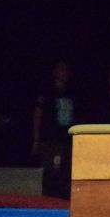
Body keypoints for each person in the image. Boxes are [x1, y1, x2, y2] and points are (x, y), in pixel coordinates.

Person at [32, 60, 76, 199]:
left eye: (66, 69)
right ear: (55, 72)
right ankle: (48, 201)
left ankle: (63, 201)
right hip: (50, 139)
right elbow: (38, 114)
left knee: (65, 172)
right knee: (51, 172)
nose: (65, 73)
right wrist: (36, 139)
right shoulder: (47, 91)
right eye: (61, 69)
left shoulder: (71, 92)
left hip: (66, 139)